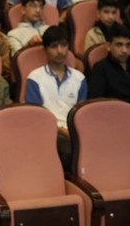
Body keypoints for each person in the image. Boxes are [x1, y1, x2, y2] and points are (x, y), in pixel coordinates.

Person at [25, 26, 87, 167]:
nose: (60, 51)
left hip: (74, 131)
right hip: (47, 131)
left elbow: (81, 114)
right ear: (45, 49)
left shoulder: (79, 78)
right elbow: (36, 116)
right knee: (68, 150)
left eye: (64, 45)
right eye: (54, 46)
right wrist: (61, 130)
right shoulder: (35, 77)